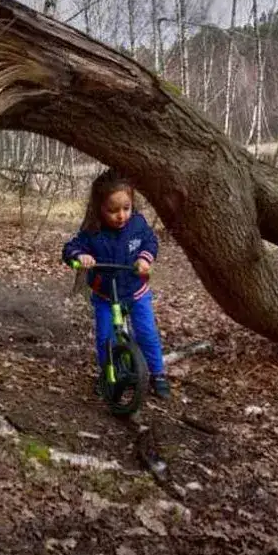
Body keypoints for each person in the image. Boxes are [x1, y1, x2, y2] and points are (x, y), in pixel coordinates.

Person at [62, 170, 171, 400]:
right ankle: (109, 374)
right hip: (105, 295)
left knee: (147, 332)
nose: (121, 215)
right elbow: (70, 248)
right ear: (99, 209)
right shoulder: (92, 232)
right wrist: (81, 256)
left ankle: (157, 373)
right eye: (112, 210)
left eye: (126, 208)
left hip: (135, 291)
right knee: (105, 338)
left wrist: (144, 258)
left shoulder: (138, 224)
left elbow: (151, 242)